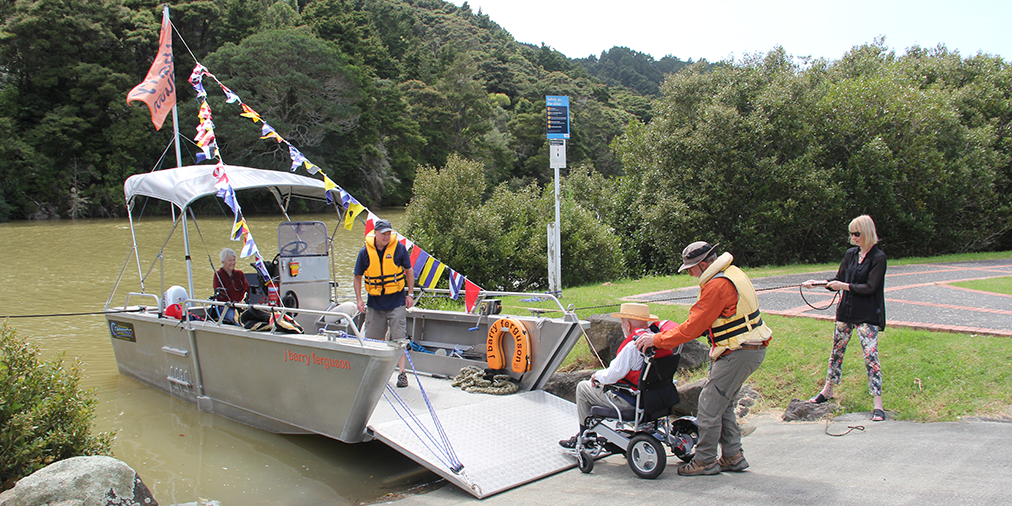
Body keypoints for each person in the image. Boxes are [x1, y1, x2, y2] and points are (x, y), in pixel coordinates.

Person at [635, 241, 771, 476]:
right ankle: (732, 456)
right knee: (723, 403)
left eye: (690, 268)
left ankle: (705, 460)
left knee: (708, 405)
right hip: (751, 349)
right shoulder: (732, 272)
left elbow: (692, 328)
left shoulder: (716, 286)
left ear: (703, 264)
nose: (689, 273)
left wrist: (656, 340)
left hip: (738, 352)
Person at [803, 215, 887, 421]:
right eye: (851, 234)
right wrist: (818, 283)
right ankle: (827, 390)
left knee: (871, 357)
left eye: (857, 234)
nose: (853, 238)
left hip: (867, 315)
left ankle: (878, 403)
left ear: (867, 233)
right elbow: (839, 278)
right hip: (846, 312)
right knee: (836, 352)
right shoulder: (851, 255)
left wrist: (844, 287)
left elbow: (870, 287)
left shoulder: (878, 258)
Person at [559, 303, 678, 449]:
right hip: (661, 399)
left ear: (627, 324)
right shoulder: (660, 342)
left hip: (633, 402)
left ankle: (585, 437)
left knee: (583, 388)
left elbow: (611, 376)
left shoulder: (633, 346)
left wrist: (596, 376)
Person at [353, 219, 415, 388]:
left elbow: (409, 271)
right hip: (374, 304)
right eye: (384, 234)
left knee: (399, 339)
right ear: (376, 233)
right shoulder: (365, 252)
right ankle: (378, 375)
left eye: (389, 233)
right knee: (375, 340)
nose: (387, 237)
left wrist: (410, 294)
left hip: (396, 302)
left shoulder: (399, 249)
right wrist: (359, 299)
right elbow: (357, 276)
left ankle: (402, 374)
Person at [212, 247, 249, 324]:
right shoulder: (218, 275)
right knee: (238, 321)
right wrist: (232, 304)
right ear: (223, 262)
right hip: (227, 307)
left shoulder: (240, 274)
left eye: (233, 260)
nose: (232, 263)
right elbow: (219, 295)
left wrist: (241, 301)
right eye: (229, 260)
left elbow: (246, 288)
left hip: (241, 305)